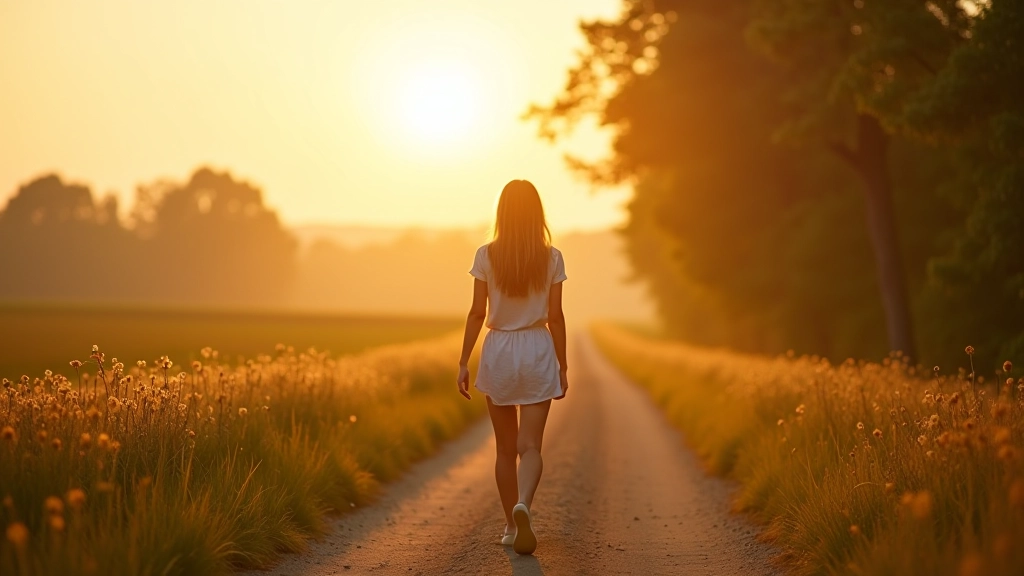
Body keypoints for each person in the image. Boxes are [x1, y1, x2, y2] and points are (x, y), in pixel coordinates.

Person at [457, 179, 569, 556]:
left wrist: (462, 362)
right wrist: (563, 365)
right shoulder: (552, 257)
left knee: (505, 449)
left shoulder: (486, 255)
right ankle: (524, 504)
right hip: (537, 348)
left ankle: (509, 524)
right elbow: (555, 316)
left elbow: (476, 312)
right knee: (530, 446)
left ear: (501, 212)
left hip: (500, 350)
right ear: (537, 213)